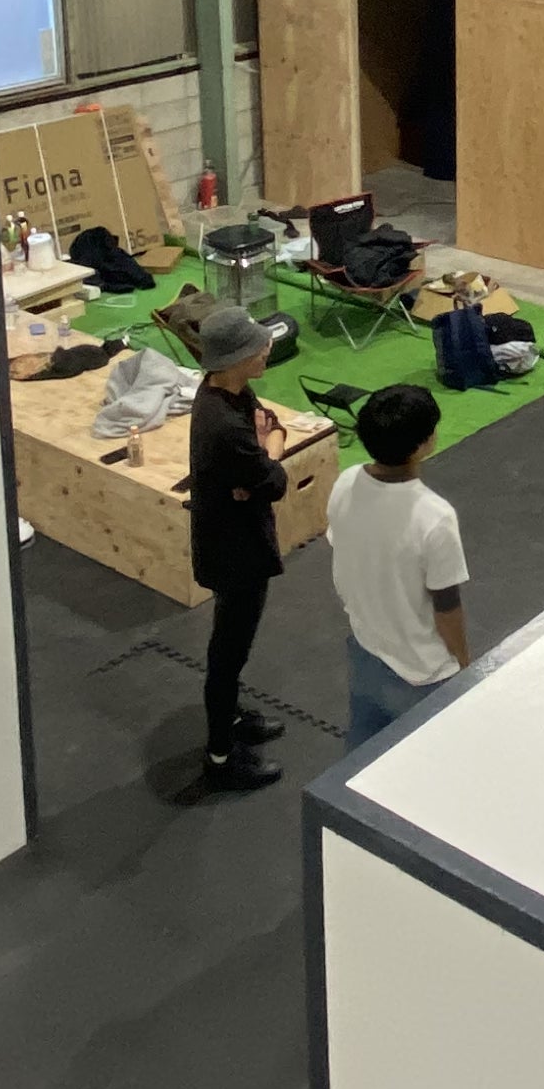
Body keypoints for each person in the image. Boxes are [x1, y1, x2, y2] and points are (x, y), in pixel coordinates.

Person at [183, 303, 305, 791]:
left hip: (235, 535)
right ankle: (219, 758)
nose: (266, 350)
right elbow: (274, 480)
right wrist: (269, 448)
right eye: (257, 347)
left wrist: (260, 453)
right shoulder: (226, 426)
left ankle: (231, 717)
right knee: (228, 652)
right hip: (234, 551)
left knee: (232, 645)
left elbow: (266, 422)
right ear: (234, 359)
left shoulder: (227, 391)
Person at [328, 384, 470, 745]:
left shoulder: (346, 482)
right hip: (422, 671)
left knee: (362, 752)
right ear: (422, 445)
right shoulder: (434, 517)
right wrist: (464, 663)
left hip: (366, 646)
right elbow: (447, 607)